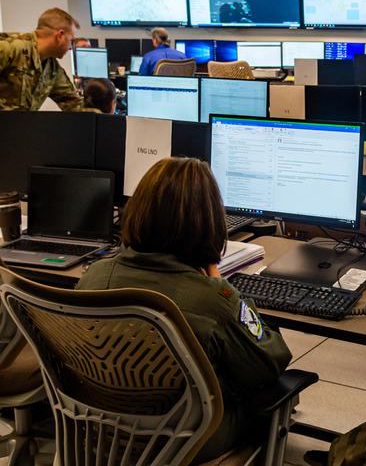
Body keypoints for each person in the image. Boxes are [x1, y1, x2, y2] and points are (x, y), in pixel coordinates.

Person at [76, 157, 291, 462]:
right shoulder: (211, 299)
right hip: (187, 439)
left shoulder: (95, 276)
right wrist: (227, 292)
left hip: (103, 433)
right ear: (209, 223)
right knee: (272, 394)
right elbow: (270, 362)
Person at [0, 8, 85, 111]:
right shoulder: (10, 48)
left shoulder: (51, 68)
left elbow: (73, 103)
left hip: (20, 125)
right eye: (71, 41)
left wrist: (103, 117)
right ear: (60, 36)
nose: (71, 47)